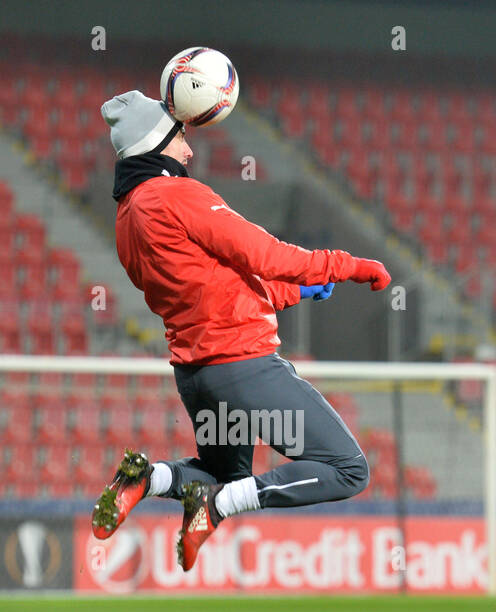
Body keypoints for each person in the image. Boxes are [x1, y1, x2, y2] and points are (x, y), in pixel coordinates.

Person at [93, 90, 391, 571]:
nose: (189, 150)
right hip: (244, 368)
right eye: (180, 137)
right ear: (156, 142)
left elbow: (214, 288)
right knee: (348, 469)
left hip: (196, 375)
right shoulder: (175, 194)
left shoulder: (127, 218)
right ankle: (217, 508)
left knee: (219, 473)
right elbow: (266, 256)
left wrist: (300, 292)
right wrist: (347, 265)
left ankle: (146, 480)